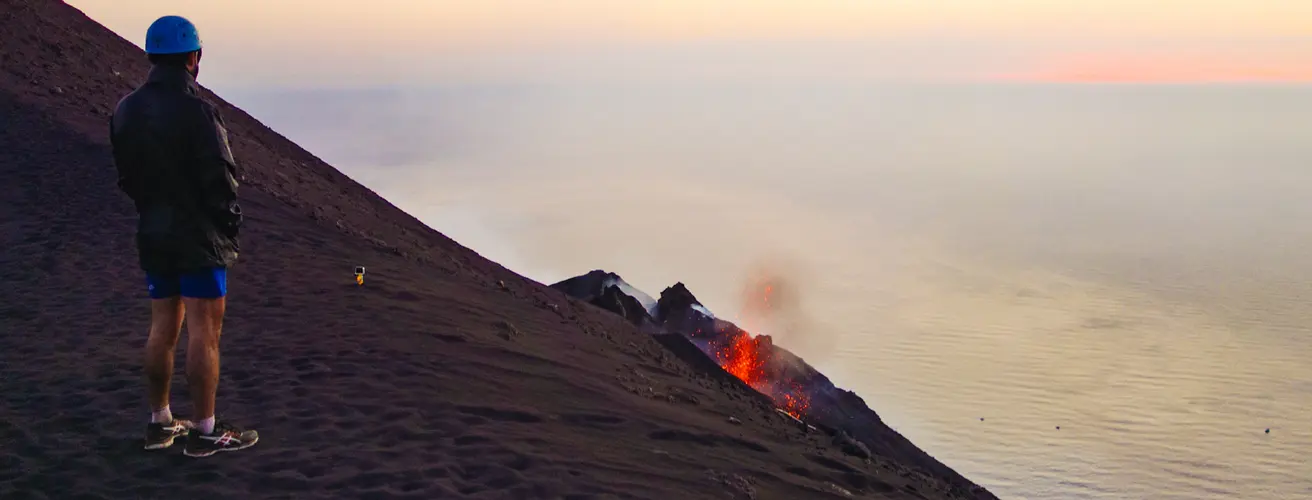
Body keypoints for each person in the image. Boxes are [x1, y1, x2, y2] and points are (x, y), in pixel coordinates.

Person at [110, 15, 257, 458]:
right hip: (199, 238)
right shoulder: (199, 110)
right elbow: (221, 178)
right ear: (194, 58)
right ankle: (206, 429)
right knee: (204, 333)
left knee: (162, 328)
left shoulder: (125, 109)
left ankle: (159, 421)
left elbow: (127, 175)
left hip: (154, 232)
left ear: (152, 55)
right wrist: (229, 226)